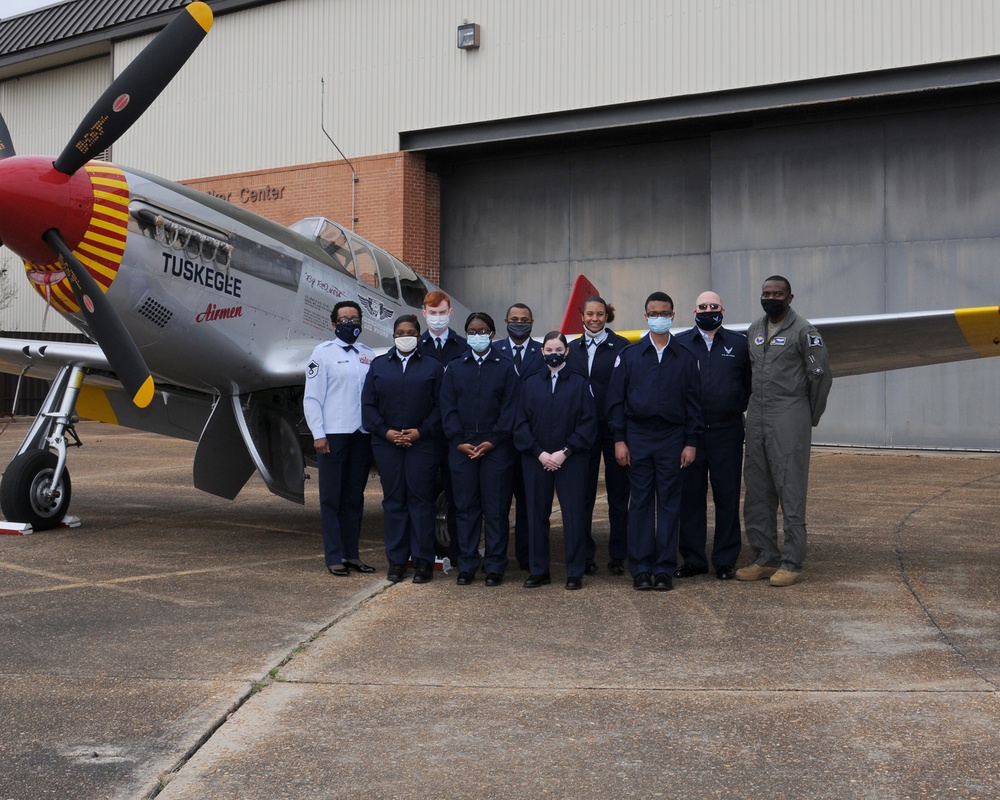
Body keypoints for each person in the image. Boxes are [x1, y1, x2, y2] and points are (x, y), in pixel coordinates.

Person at [737, 276, 833, 587]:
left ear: (789, 297)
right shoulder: (754, 330)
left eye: (777, 293)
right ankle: (765, 557)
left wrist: (806, 417)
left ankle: (792, 560)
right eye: (766, 293)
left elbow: (820, 378)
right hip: (758, 416)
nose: (771, 298)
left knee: (789, 488)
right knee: (757, 489)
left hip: (789, 416)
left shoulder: (805, 332)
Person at [606, 291, 703, 592]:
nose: (659, 318)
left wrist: (691, 442)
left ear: (673, 316)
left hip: (673, 438)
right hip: (638, 437)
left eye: (665, 313)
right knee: (641, 503)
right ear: (645, 316)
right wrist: (620, 440)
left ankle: (664, 568)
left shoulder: (686, 357)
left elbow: (694, 405)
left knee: (670, 504)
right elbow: (616, 402)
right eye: (653, 313)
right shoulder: (630, 355)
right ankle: (641, 568)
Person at [675, 291, 751, 581]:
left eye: (714, 306)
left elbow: (748, 385)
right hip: (690, 436)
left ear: (723, 310)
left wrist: (731, 406)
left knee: (727, 496)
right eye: (703, 307)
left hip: (727, 433)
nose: (709, 310)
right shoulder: (680, 344)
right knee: (690, 497)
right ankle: (693, 559)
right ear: (694, 312)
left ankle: (725, 560)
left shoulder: (739, 345)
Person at [440, 312, 520, 586]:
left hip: (496, 448)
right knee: (465, 508)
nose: (477, 335)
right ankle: (467, 564)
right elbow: (447, 407)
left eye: (483, 330)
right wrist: (457, 440)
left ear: (493, 333)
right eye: (472, 331)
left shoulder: (506, 367)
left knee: (496, 509)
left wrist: (494, 440)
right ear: (466, 334)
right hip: (461, 447)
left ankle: (495, 565)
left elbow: (511, 408)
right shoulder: (455, 367)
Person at [362, 315, 444, 584]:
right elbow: (368, 408)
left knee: (420, 501)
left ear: (419, 336)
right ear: (393, 336)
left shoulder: (433, 367)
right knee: (394, 501)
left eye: (410, 332)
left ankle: (423, 562)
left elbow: (441, 406)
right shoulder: (378, 366)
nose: (405, 335)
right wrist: (387, 433)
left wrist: (420, 432)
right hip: (387, 445)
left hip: (423, 444)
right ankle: (396, 561)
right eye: (400, 332)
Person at [514, 332, 597, 589]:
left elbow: (588, 422)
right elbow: (521, 423)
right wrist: (539, 452)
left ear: (567, 351)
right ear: (542, 352)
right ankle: (539, 570)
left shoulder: (580, 384)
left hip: (570, 460)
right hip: (536, 459)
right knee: (537, 515)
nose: (553, 353)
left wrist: (565, 451)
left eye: (558, 348)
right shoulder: (529, 384)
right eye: (549, 349)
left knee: (573, 516)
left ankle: (575, 571)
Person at [303, 301, 376, 577]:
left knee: (354, 498)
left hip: (361, 435)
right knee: (331, 498)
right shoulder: (322, 354)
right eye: (343, 319)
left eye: (354, 319)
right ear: (334, 324)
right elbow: (312, 397)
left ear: (362, 323)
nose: (349, 323)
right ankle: (334, 556)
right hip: (333, 436)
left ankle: (352, 555)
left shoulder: (368, 355)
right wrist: (318, 433)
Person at [566, 296, 631, 577]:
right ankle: (585, 554)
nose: (595, 318)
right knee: (583, 495)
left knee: (619, 494)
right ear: (582, 315)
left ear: (608, 316)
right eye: (590, 313)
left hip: (613, 428)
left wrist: (622, 433)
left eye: (600, 314)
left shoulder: (622, 347)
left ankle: (618, 554)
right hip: (582, 431)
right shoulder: (571, 349)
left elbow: (627, 389)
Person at [418, 290, 467, 566]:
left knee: (458, 496)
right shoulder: (416, 347)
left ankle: (460, 554)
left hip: (455, 436)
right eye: (432, 313)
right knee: (422, 496)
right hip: (425, 435)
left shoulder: (463, 347)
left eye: (442, 312)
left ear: (450, 313)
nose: (437, 318)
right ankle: (424, 554)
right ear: (424, 314)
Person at [494, 302, 543, 571]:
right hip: (500, 442)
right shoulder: (493, 350)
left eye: (524, 319)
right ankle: (497, 558)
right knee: (499, 503)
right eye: (514, 318)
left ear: (532, 322)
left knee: (529, 504)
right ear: (505, 321)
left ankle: (526, 557)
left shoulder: (541, 352)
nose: (519, 322)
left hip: (531, 441)